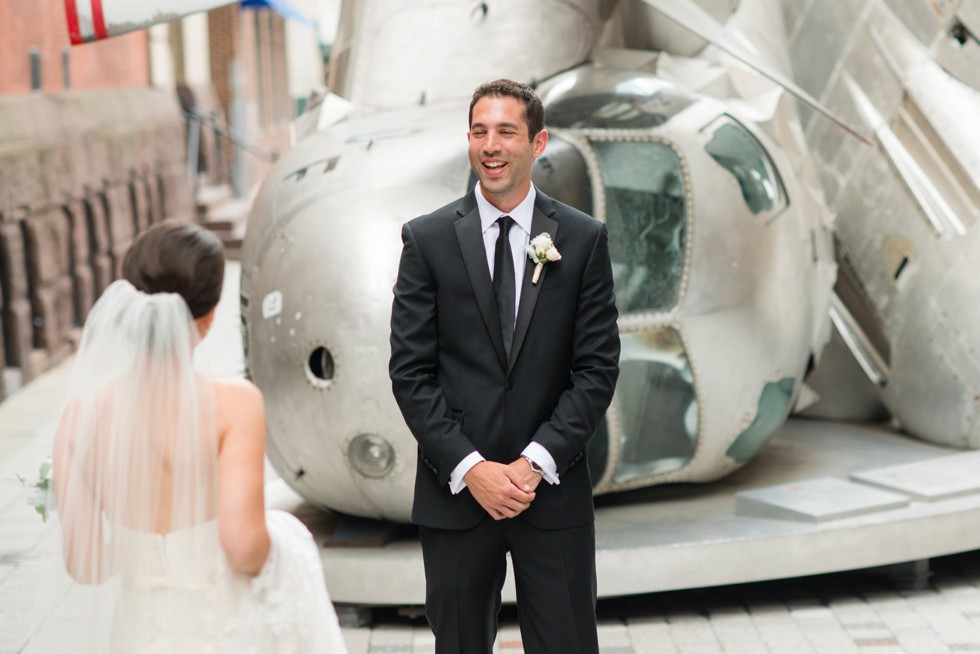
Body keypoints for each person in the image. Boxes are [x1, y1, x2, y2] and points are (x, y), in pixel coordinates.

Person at [389, 79, 621, 654]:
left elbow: (596, 369)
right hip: (458, 497)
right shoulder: (427, 239)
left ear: (537, 142)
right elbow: (410, 373)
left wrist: (534, 464)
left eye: (506, 132)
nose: (490, 145)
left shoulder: (584, 240)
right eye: (479, 131)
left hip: (551, 493)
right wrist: (472, 469)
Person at [48, 222, 348, 653]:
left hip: (140, 633)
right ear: (207, 318)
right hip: (222, 627)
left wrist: (144, 547)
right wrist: (287, 538)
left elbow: (85, 565)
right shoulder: (233, 405)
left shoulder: (79, 419)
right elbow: (244, 549)